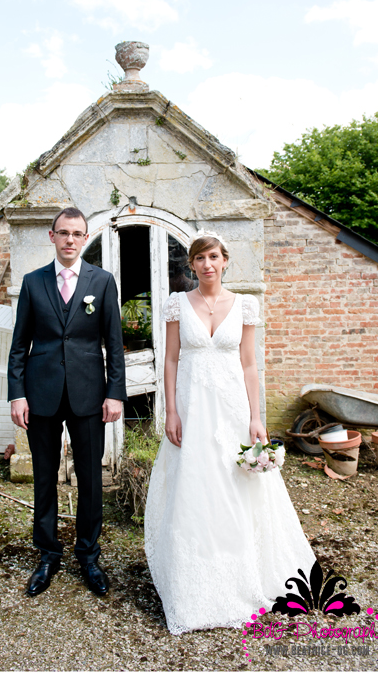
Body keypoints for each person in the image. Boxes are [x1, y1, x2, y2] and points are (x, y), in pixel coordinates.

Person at [144, 230, 316, 634]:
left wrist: (257, 417)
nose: (207, 264)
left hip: (232, 409)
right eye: (200, 258)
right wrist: (171, 411)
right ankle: (194, 582)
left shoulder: (244, 306)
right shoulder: (177, 304)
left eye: (214, 257)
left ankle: (242, 573)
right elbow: (170, 360)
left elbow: (249, 364)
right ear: (192, 264)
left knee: (236, 486)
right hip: (191, 410)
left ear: (224, 261)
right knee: (195, 486)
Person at [8, 207, 127, 597]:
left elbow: (114, 344)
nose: (70, 240)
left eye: (77, 234)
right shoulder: (33, 282)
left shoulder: (102, 282)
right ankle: (47, 555)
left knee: (90, 480)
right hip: (40, 394)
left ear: (85, 238)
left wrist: (115, 392)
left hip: (89, 394)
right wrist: (17, 394)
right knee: (45, 478)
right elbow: (19, 346)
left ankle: (89, 556)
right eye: (64, 233)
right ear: (52, 236)